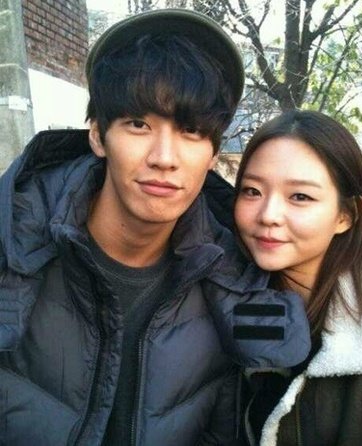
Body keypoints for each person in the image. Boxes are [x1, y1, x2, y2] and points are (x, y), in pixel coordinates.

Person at [0, 9, 310, 446]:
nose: (164, 157)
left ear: (213, 153)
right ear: (98, 135)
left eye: (191, 131)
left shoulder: (239, 280)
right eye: (139, 124)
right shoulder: (12, 243)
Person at [234, 110, 362, 446]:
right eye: (252, 191)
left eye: (300, 196)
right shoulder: (219, 298)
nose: (268, 215)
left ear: (345, 215)